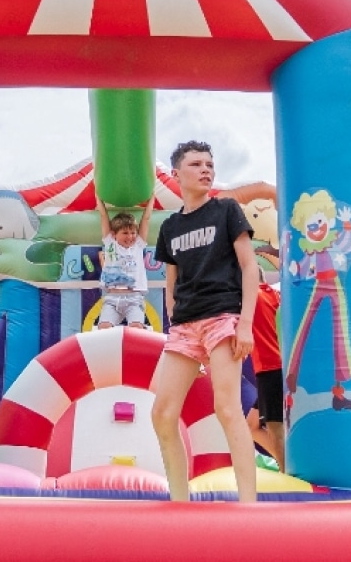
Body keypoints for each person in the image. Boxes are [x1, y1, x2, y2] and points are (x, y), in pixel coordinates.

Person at [151, 140, 260, 502]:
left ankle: (249, 505)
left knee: (227, 408)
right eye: (196, 164)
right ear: (176, 174)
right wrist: (174, 329)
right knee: (162, 413)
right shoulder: (170, 227)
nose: (205, 169)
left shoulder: (226, 210)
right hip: (185, 327)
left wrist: (245, 324)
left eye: (210, 164)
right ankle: (179, 502)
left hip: (223, 316)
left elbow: (249, 266)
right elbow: (171, 283)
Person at [96, 194, 154, 329]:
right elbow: (104, 216)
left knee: (136, 327)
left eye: (133, 233)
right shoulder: (110, 243)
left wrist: (152, 198)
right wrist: (98, 196)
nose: (130, 237)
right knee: (103, 327)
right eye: (125, 233)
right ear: (114, 234)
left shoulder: (138, 245)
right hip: (112, 299)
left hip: (134, 299)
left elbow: (146, 218)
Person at [246, 271, 285, 472]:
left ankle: (288, 470)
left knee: (275, 428)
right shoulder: (273, 294)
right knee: (252, 426)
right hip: (277, 366)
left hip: (270, 368)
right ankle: (282, 463)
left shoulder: (252, 299)